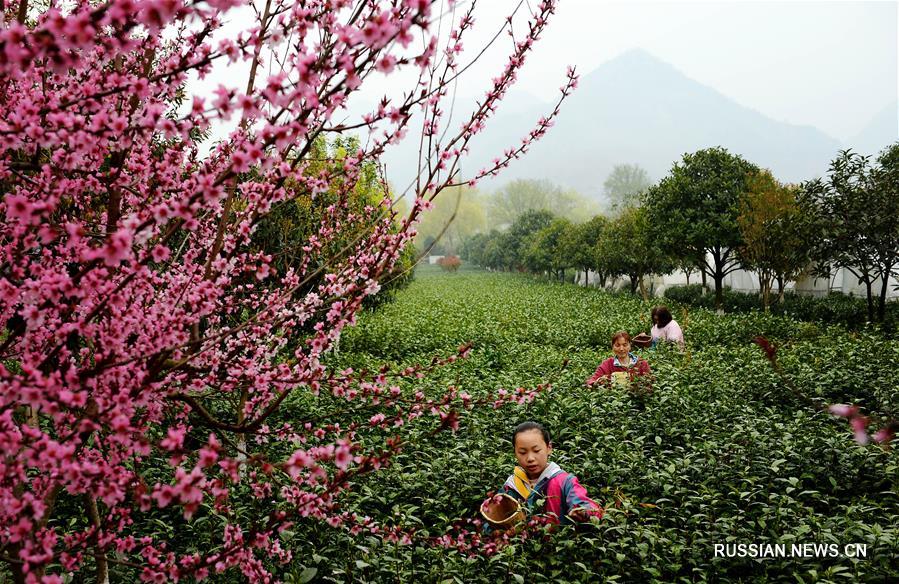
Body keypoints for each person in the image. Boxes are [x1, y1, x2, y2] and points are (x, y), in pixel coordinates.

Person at [486, 421, 603, 525]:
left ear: (549, 448)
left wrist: (583, 512)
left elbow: (585, 504)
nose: (530, 458)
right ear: (515, 452)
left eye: (536, 451)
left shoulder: (564, 481)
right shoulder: (510, 486)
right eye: (522, 452)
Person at [585, 330, 652, 387]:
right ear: (612, 346)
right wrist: (598, 382)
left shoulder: (642, 363)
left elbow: (650, 384)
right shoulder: (608, 364)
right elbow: (591, 381)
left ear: (630, 346)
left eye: (625, 345)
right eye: (617, 345)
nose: (621, 349)